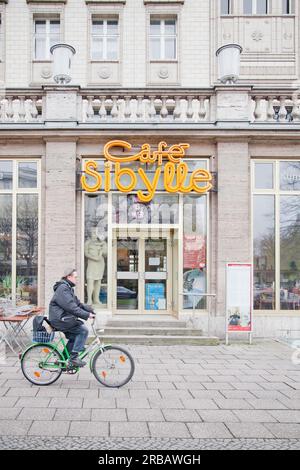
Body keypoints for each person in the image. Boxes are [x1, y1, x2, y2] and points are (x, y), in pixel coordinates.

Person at [49, 268, 95, 367]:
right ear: (69, 277)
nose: (77, 279)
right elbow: (72, 307)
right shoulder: (63, 289)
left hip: (64, 318)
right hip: (60, 319)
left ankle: (63, 359)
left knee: (75, 337)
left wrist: (90, 309)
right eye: (75, 277)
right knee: (83, 331)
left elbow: (77, 304)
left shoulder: (68, 288)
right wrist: (87, 315)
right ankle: (74, 358)